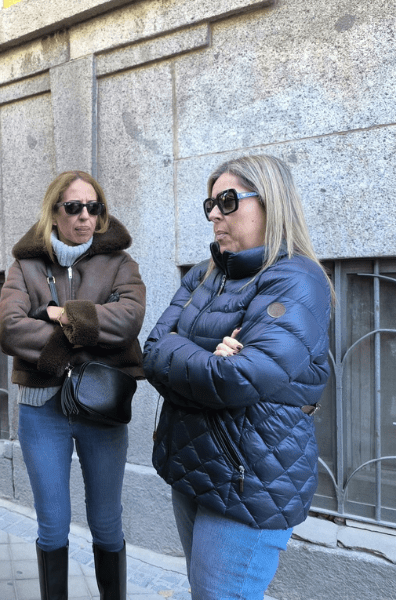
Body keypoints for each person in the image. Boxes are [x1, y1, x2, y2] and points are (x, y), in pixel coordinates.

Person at [143, 154, 333, 599]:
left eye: (227, 201)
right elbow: (150, 352)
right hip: (193, 463)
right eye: (210, 204)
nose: (214, 214)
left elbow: (239, 378)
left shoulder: (297, 280)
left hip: (251, 477)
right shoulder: (203, 275)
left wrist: (185, 351)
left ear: (271, 202)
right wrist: (210, 355)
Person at [0, 171, 146, 600]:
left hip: (102, 404)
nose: (85, 216)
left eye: (94, 207)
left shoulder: (120, 263)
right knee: (52, 524)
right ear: (54, 212)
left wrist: (58, 314)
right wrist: (89, 328)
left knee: (106, 522)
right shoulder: (25, 266)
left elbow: (128, 320)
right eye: (74, 207)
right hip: (41, 410)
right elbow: (9, 330)